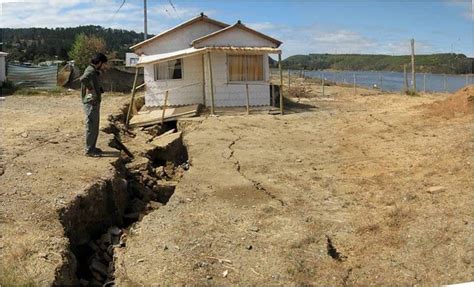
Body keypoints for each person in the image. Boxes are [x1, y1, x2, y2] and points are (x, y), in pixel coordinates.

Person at [80, 53, 107, 157]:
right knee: (91, 126)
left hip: (93, 102)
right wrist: (91, 89)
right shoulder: (90, 71)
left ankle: (92, 147)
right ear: (99, 62)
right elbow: (83, 79)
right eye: (103, 64)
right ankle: (89, 150)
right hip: (91, 103)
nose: (103, 66)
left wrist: (97, 89)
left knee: (94, 126)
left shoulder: (92, 70)